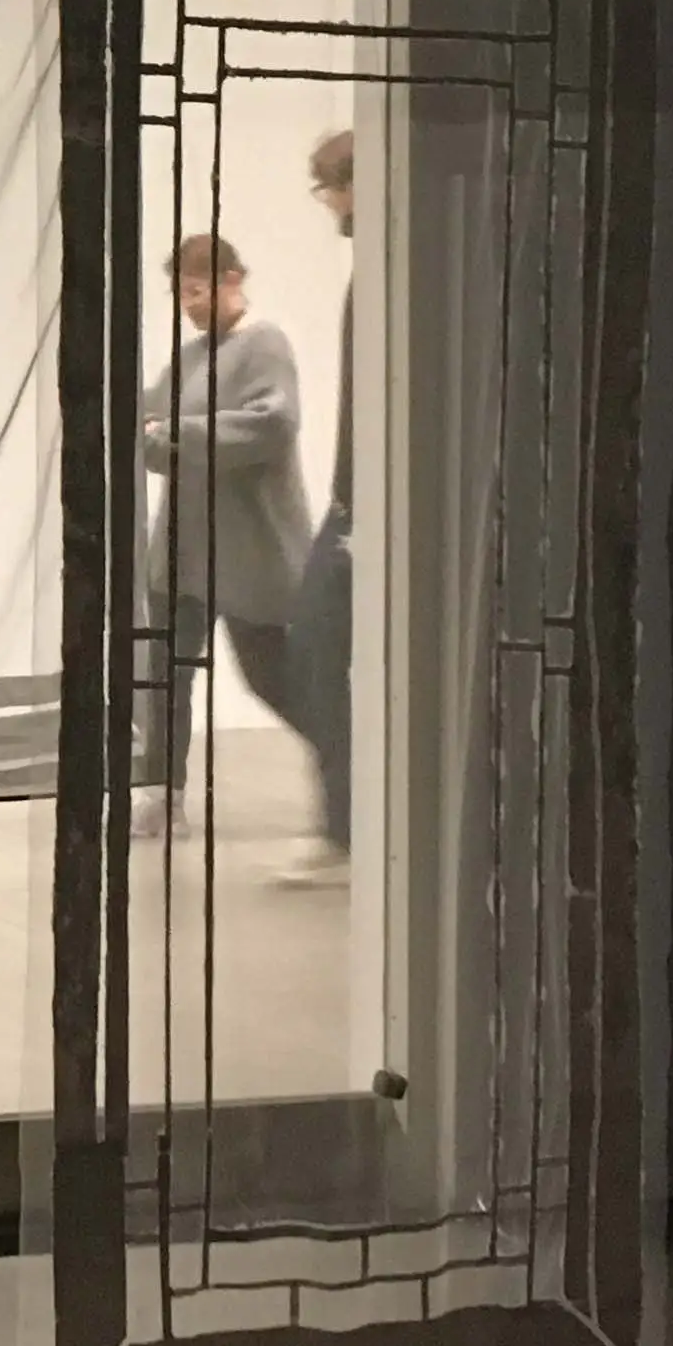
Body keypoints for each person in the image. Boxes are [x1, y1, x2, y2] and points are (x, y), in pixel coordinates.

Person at [134, 233, 313, 837]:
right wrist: (164, 435)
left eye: (196, 291)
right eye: (181, 294)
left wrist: (176, 434)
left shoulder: (264, 344)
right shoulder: (186, 361)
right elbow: (144, 431)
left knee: (273, 679)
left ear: (232, 279)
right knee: (166, 675)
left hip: (248, 552)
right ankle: (163, 798)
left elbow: (272, 423)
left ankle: (361, 769)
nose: (189, 305)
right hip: (183, 551)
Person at [289, 130, 358, 875]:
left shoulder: (390, 276)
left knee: (314, 645)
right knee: (311, 647)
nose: (328, 204)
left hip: (361, 514)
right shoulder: (375, 275)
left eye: (329, 188)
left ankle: (349, 826)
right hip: (352, 508)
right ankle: (346, 823)